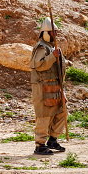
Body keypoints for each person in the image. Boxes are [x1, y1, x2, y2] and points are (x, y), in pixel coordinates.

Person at [30, 17, 67, 155]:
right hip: (43, 88)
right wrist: (52, 56)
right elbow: (38, 65)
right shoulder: (41, 47)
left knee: (62, 112)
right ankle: (40, 144)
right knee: (44, 116)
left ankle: (53, 139)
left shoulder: (52, 47)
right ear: (46, 32)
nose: (55, 35)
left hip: (55, 87)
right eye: (53, 32)